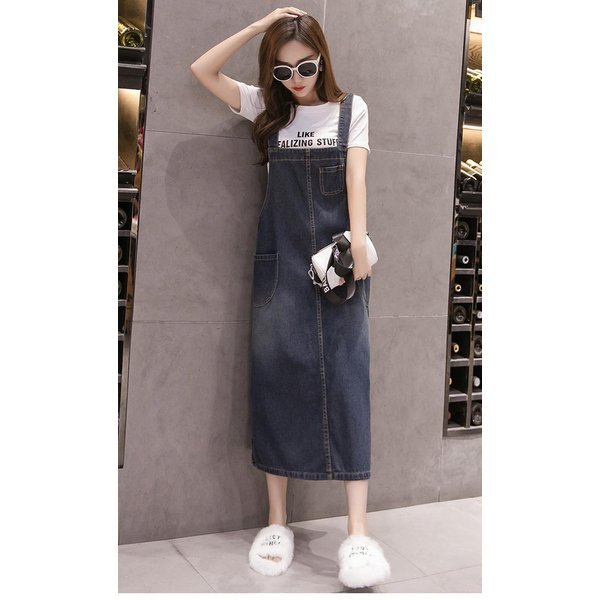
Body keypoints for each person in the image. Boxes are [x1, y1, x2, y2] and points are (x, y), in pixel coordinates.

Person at [190, 7, 390, 589]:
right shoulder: (267, 109)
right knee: (276, 382)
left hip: (338, 270)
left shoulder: (351, 110)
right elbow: (202, 70)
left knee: (349, 384)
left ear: (322, 58)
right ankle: (276, 523)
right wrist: (259, 28)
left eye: (305, 66)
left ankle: (358, 533)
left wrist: (358, 247)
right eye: (282, 70)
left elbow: (356, 180)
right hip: (279, 267)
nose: (296, 79)